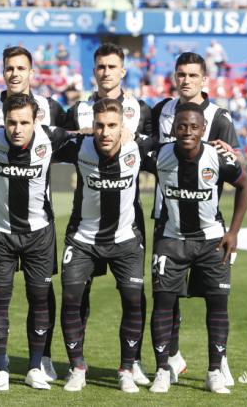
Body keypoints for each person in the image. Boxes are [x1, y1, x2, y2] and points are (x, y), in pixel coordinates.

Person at [0, 93, 72, 390]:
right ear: (3, 121)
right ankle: (0, 367)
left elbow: (85, 137)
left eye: (24, 122)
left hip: (39, 234)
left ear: (36, 120)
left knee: (40, 297)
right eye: (11, 122)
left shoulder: (51, 137)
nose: (17, 128)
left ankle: (36, 366)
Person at [64, 42, 153, 385]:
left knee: (134, 296)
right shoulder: (79, 110)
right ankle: (76, 366)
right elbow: (52, 138)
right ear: (94, 70)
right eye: (100, 67)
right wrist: (82, 134)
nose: (105, 72)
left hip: (128, 223)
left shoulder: (141, 109)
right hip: (84, 220)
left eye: (112, 67)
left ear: (122, 70)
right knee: (76, 294)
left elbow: (164, 146)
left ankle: (135, 363)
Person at [150, 51, 241, 386]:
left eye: (192, 75)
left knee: (214, 298)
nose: (185, 80)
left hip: (206, 223)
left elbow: (236, 162)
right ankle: (170, 360)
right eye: (180, 74)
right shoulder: (161, 110)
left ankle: (219, 362)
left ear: (204, 79)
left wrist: (227, 154)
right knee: (166, 297)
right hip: (166, 217)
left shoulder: (219, 116)